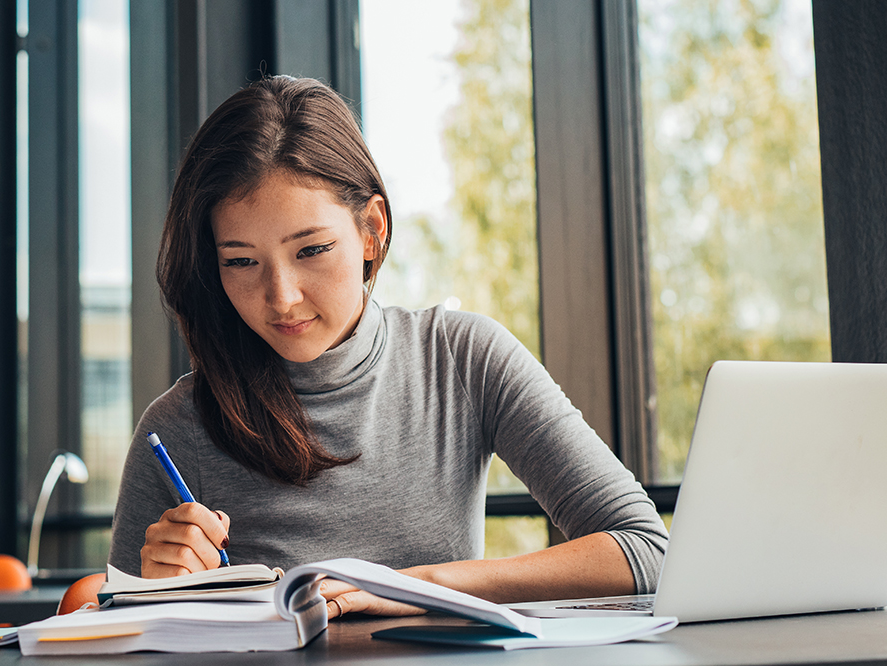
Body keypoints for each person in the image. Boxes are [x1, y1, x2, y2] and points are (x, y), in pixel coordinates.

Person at [58, 75, 668, 619]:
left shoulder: (462, 359)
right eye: (241, 261)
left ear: (371, 230)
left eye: (311, 250)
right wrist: (157, 593)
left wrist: (420, 586)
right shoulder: (179, 427)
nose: (282, 297)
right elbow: (113, 629)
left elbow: (646, 550)